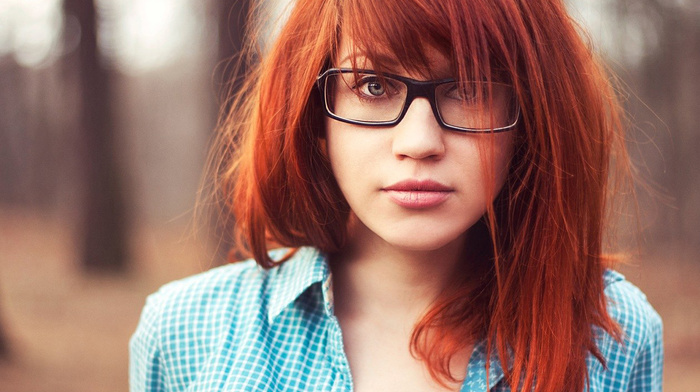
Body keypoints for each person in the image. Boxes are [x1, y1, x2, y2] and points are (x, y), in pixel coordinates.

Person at [129, 0, 663, 391]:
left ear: (529, 119)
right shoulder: (186, 332)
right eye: (373, 86)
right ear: (315, 110)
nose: (419, 143)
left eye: (470, 89)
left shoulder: (613, 334)